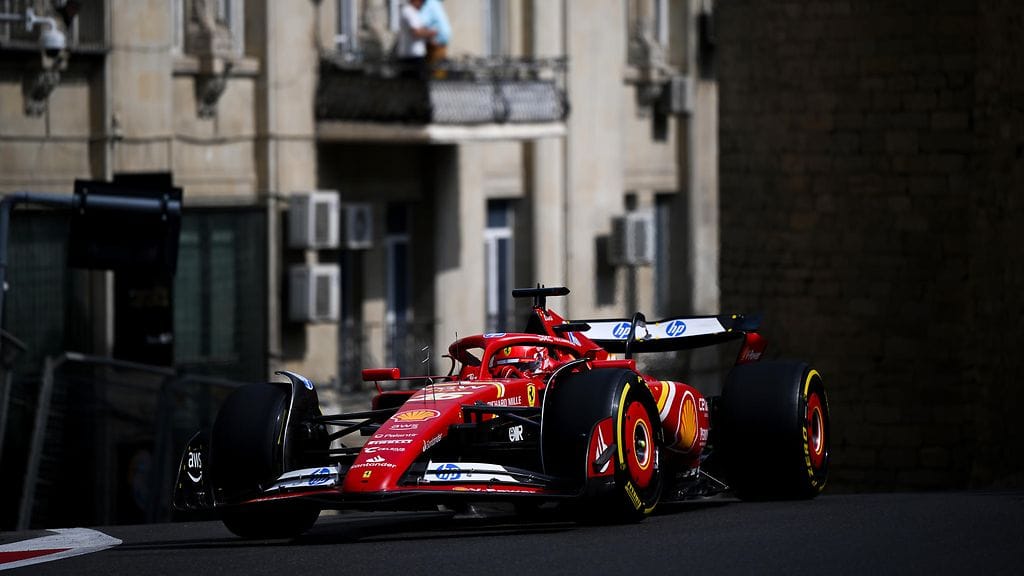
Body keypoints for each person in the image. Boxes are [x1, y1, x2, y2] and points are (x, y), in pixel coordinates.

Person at [396, 0, 437, 78]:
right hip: (411, 56)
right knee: (413, 84)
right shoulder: (408, 11)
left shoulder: (414, 12)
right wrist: (430, 33)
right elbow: (416, 32)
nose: (422, 5)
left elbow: (420, 29)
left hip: (416, 55)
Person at [420, 0, 452, 67]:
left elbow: (422, 22)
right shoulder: (433, 3)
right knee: (437, 70)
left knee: (437, 70)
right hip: (439, 43)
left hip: (438, 43)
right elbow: (423, 23)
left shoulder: (432, 3)